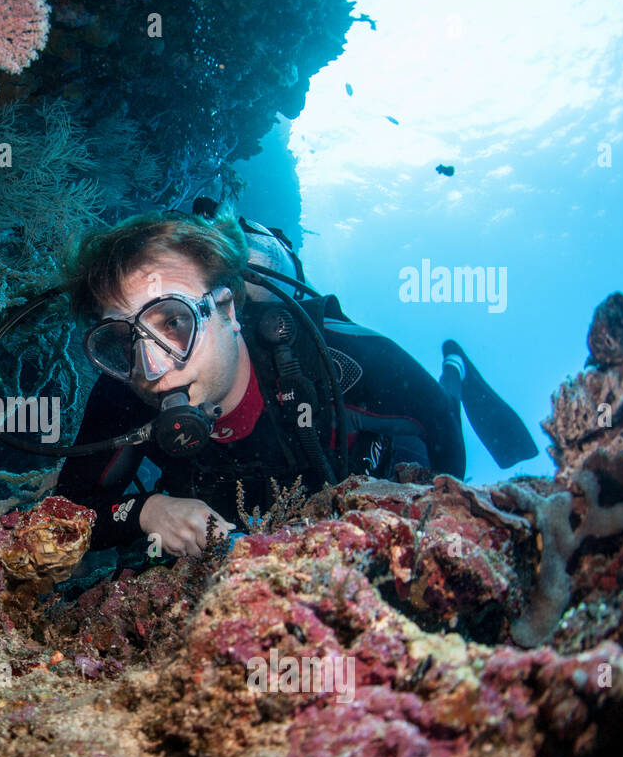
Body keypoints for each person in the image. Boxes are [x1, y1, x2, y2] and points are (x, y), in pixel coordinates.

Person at [53, 208, 528, 558]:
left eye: (174, 322)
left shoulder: (340, 358)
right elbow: (65, 514)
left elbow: (438, 425)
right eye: (122, 340)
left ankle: (456, 370)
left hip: (383, 467)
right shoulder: (123, 390)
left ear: (227, 309)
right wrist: (145, 511)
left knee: (439, 415)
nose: (152, 368)